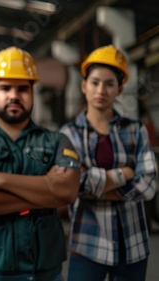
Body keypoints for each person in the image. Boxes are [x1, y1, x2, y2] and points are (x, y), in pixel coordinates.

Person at [0, 46, 81, 281]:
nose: (14, 95)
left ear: (32, 92)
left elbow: (67, 191)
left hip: (46, 271)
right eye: (5, 88)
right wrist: (47, 191)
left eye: (22, 89)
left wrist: (0, 180)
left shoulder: (56, 140)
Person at [60, 45, 157, 281]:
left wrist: (93, 185)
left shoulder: (135, 131)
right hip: (86, 245)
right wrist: (124, 174)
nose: (100, 90)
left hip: (132, 246)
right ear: (84, 86)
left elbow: (149, 185)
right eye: (94, 82)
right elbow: (72, 185)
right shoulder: (68, 134)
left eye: (109, 83)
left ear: (120, 88)